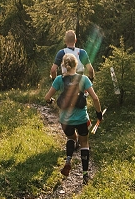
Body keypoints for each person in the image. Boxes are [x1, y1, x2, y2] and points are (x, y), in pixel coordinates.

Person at [44, 52, 103, 184]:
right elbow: (95, 98)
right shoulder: (84, 79)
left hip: (66, 121)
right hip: (82, 119)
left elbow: (47, 98)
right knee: (84, 143)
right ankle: (85, 175)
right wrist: (99, 113)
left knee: (71, 138)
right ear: (76, 65)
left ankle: (69, 159)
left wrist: (51, 101)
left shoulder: (59, 79)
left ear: (64, 66)